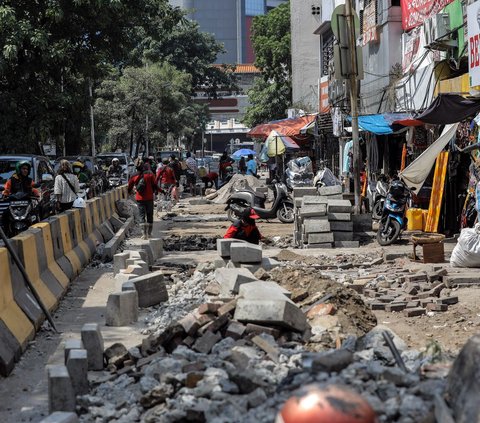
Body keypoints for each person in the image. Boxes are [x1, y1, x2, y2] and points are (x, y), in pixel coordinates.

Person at [128, 158, 157, 239]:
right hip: (149, 197)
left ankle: (144, 235)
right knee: (149, 215)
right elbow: (154, 185)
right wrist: (154, 192)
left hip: (140, 198)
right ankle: (149, 233)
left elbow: (129, 187)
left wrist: (131, 192)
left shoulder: (134, 175)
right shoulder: (150, 174)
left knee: (141, 216)